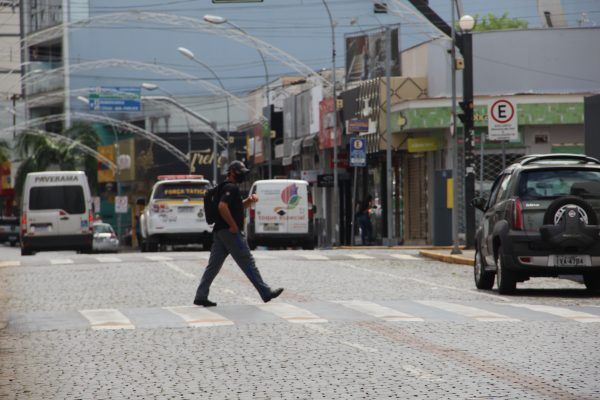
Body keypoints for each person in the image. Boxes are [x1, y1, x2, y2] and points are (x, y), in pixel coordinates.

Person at [194, 161, 284, 307]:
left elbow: (235, 207)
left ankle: (201, 295)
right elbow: (222, 207)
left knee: (213, 266)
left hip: (219, 232)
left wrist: (249, 201)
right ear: (232, 172)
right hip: (229, 233)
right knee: (247, 261)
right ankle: (266, 292)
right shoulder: (231, 187)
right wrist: (234, 226)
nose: (243, 175)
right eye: (240, 171)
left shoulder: (222, 187)